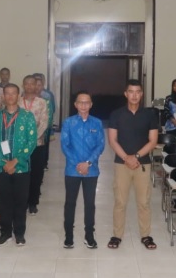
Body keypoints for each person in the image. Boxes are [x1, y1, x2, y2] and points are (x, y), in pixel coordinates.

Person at [107, 79, 159, 250]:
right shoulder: (116, 114)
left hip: (142, 164)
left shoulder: (149, 115)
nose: (134, 95)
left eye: (138, 92)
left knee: (143, 202)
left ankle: (146, 235)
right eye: (131, 91)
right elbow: (112, 140)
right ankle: (117, 235)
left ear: (141, 94)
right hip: (121, 164)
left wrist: (135, 156)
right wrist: (126, 158)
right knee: (120, 202)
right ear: (126, 94)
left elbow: (153, 141)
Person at [0, 83, 37, 246]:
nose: (10, 96)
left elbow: (31, 142)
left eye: (13, 93)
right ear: (3, 96)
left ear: (18, 96)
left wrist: (15, 161)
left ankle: (19, 233)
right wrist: (3, 162)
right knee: (3, 201)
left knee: (20, 201)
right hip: (0, 167)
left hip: (21, 167)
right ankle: (5, 232)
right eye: (7, 93)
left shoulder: (27, 116)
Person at [60, 91, 105, 249]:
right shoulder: (68, 123)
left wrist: (88, 163)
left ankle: (89, 236)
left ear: (91, 104)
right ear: (76, 104)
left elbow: (100, 145)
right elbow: (65, 145)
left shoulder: (97, 123)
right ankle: (68, 236)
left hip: (91, 170)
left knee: (90, 204)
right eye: (81, 102)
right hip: (72, 170)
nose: (83, 105)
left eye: (87, 102)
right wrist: (78, 164)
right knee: (70, 203)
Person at [19, 75, 49, 215]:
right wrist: (22, 140)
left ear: (36, 85)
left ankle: (33, 202)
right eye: (27, 84)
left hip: (37, 144)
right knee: (21, 174)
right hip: (19, 146)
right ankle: (22, 201)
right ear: (23, 85)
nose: (30, 86)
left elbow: (44, 123)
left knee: (36, 174)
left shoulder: (42, 102)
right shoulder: (17, 101)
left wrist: (31, 139)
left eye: (32, 84)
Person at [34, 73, 55, 170]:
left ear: (43, 86)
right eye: (35, 85)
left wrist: (43, 129)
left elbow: (50, 114)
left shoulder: (46, 100)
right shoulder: (25, 99)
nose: (37, 87)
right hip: (27, 132)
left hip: (43, 131)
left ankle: (43, 164)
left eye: (39, 85)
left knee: (42, 149)